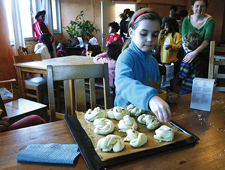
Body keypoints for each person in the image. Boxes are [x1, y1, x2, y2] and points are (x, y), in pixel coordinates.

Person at [114, 8, 176, 122]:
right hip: (125, 118)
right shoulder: (126, 57)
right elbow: (122, 82)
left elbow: (154, 86)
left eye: (155, 35)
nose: (150, 39)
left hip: (147, 118)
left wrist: (164, 94)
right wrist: (150, 98)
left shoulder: (152, 61)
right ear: (131, 32)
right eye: (144, 33)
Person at [182, 0, 215, 78]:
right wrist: (188, 52)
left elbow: (207, 39)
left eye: (202, 6)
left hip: (203, 52)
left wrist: (195, 53)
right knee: (186, 76)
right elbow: (183, 39)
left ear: (206, 8)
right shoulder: (186, 20)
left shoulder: (210, 21)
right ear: (192, 7)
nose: (199, 9)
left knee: (202, 77)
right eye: (197, 6)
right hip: (188, 51)